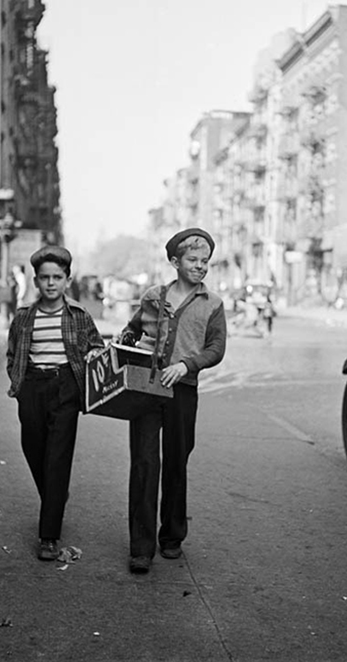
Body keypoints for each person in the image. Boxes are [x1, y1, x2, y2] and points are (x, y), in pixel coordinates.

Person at [119, 228, 227, 574]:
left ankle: (172, 537)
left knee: (177, 461)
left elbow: (216, 349)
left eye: (205, 261)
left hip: (183, 390)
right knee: (145, 463)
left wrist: (186, 365)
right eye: (193, 260)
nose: (200, 267)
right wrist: (126, 344)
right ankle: (141, 546)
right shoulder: (153, 297)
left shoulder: (213, 304)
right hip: (147, 389)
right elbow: (133, 330)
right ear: (174, 262)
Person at [6, 245, 104, 561]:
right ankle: (56, 495)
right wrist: (20, 384)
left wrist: (91, 357)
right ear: (35, 281)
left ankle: (49, 536)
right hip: (32, 387)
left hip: (66, 388)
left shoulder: (78, 315)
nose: (51, 283)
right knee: (33, 448)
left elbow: (97, 348)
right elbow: (12, 355)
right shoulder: (23, 318)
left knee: (58, 457)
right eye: (45, 277)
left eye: (57, 277)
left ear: (67, 280)